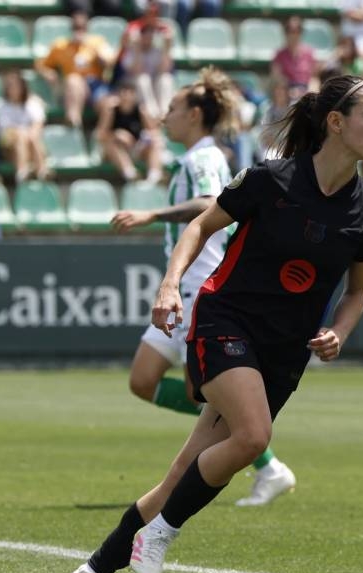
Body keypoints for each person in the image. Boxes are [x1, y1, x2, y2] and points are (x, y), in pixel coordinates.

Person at [65, 74, 363, 573]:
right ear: (336, 123)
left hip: (284, 354)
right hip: (224, 320)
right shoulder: (272, 179)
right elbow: (200, 226)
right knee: (253, 436)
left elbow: (356, 294)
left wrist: (341, 331)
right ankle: (160, 536)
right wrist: (171, 285)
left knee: (181, 477)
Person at [111, 67, 296, 507]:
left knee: (204, 392)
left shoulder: (205, 159)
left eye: (173, 109)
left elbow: (213, 204)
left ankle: (262, 463)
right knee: (147, 381)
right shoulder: (195, 157)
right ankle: (264, 462)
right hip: (186, 290)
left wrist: (152, 214)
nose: (165, 117)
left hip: (201, 288)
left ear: (195, 114)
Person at [35, 11, 115, 128]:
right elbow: (40, 64)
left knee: (108, 104)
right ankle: (74, 122)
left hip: (95, 85)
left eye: (82, 28)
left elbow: (111, 61)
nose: (79, 31)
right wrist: (47, 72)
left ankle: (102, 134)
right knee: (74, 80)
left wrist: (100, 56)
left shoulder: (97, 42)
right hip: (73, 88)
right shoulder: (61, 46)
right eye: (76, 28)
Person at [96, 81, 163, 184]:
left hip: (135, 148)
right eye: (123, 92)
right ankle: (130, 174)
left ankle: (155, 176)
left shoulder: (141, 111)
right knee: (110, 144)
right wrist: (116, 135)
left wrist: (145, 138)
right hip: (115, 151)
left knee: (156, 142)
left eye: (130, 92)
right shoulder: (111, 111)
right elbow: (100, 135)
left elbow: (154, 132)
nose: (126, 96)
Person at [0, 71, 48, 183]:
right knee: (20, 134)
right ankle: (26, 171)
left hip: (30, 144)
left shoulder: (32, 104)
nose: (14, 89)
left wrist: (26, 134)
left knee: (28, 135)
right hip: (8, 147)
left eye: (17, 86)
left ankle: (39, 171)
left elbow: (37, 127)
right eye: (11, 86)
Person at [271, 16, 320, 95]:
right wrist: (290, 92)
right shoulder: (279, 54)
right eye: (290, 31)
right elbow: (277, 78)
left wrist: (308, 93)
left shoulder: (309, 53)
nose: (294, 35)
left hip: (306, 91)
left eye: (297, 31)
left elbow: (314, 78)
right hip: (287, 92)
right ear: (285, 33)